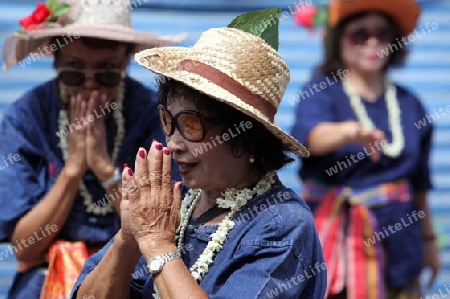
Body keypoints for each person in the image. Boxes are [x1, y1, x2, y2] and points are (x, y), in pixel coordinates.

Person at [70, 11, 327, 299]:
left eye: (191, 125)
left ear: (245, 136)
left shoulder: (280, 224)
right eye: (168, 122)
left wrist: (156, 243)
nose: (173, 143)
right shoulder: (168, 209)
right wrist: (129, 239)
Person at [0, 0, 186, 298]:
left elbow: (164, 233)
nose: (89, 87)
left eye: (107, 74)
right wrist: (72, 170)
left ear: (126, 61)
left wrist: (103, 169)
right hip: (44, 280)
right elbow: (24, 248)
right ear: (56, 58)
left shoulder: (154, 115)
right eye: (73, 73)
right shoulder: (27, 116)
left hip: (131, 277)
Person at [291, 0, 440, 298]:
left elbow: (419, 185)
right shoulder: (322, 91)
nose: (372, 42)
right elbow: (308, 140)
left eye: (383, 34)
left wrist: (429, 244)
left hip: (400, 247)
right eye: (360, 34)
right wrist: (352, 131)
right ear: (339, 40)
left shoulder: (410, 103)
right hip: (335, 245)